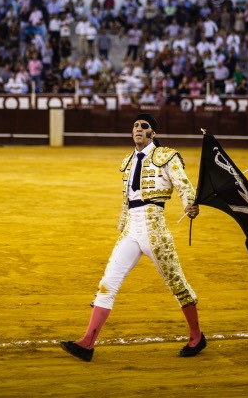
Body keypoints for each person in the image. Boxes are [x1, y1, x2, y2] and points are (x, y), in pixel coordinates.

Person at [61, 113, 205, 362]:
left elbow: (183, 185)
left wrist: (189, 205)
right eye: (135, 126)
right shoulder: (128, 161)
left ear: (153, 133)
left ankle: (197, 335)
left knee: (176, 282)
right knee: (108, 282)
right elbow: (126, 199)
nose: (138, 129)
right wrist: (123, 225)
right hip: (131, 228)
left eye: (144, 126)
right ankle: (87, 343)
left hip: (154, 227)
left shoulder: (166, 156)